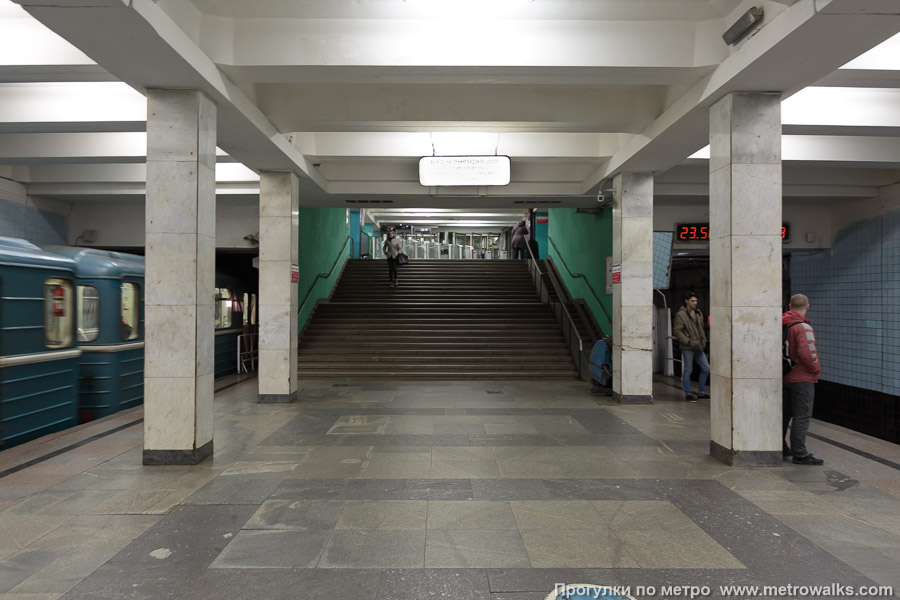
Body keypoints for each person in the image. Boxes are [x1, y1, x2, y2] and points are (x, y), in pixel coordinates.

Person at [782, 293, 824, 465]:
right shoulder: (803, 327)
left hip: (783, 376)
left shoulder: (781, 324)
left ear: (790, 306)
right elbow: (808, 354)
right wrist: (816, 371)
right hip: (802, 379)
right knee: (801, 416)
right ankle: (800, 453)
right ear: (807, 306)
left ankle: (781, 446)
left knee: (784, 415)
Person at [673, 292, 709, 402]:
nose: (695, 303)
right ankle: (688, 393)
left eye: (696, 301)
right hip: (688, 346)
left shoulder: (698, 313)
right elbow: (677, 331)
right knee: (688, 369)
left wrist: (704, 341)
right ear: (686, 301)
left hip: (698, 345)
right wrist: (688, 341)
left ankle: (701, 392)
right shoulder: (681, 314)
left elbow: (701, 329)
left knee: (706, 368)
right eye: (692, 301)